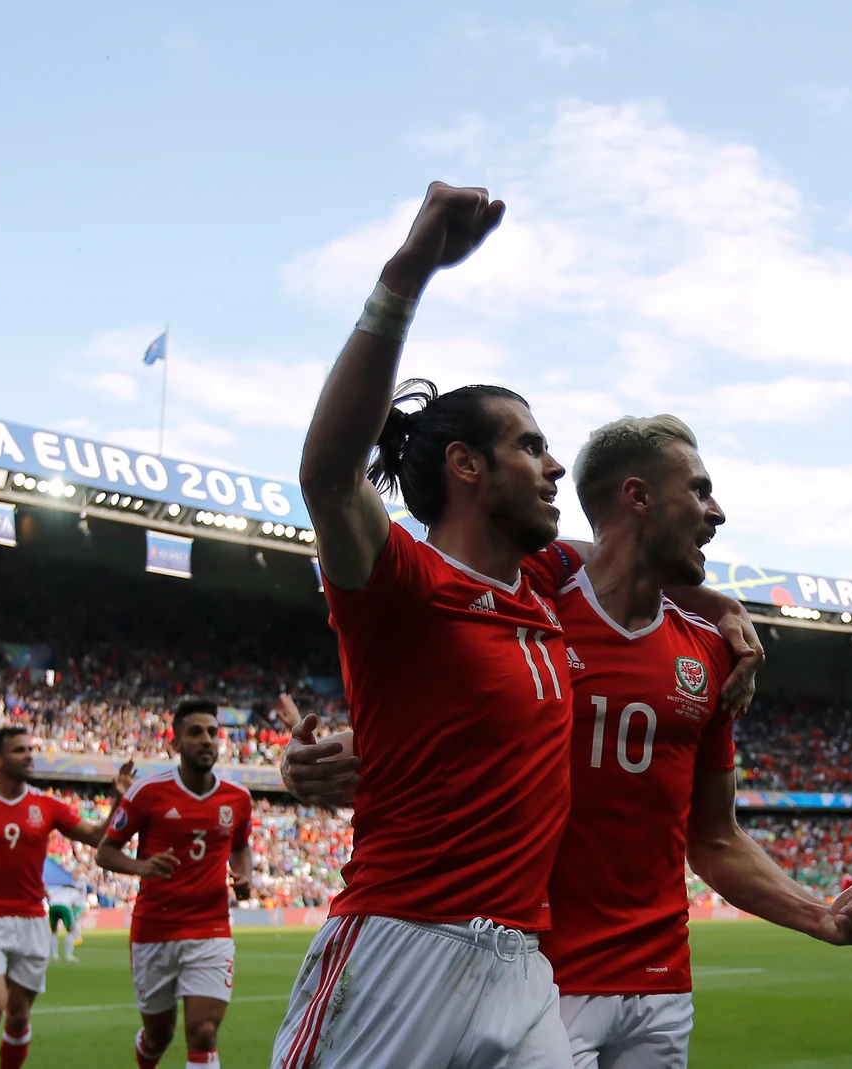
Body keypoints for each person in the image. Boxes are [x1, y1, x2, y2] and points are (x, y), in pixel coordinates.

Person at [270, 181, 763, 1069]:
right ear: (466, 465)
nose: (552, 464)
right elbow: (330, 477)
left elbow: (629, 553)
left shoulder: (548, 592)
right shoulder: (405, 583)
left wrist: (714, 603)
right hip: (398, 951)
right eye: (530, 446)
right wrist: (407, 273)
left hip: (525, 965)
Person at [287, 414, 852, 1069]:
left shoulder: (711, 655)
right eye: (700, 490)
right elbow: (452, 681)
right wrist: (357, 742)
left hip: (660, 982)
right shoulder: (538, 592)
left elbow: (714, 838)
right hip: (541, 970)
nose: (717, 512)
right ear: (638, 496)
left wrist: (816, 913)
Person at [0, 726, 134, 1069]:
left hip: (33, 919)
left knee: (18, 1017)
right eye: (19, 750)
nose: (29, 755)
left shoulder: (46, 805)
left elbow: (95, 836)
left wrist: (118, 801)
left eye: (30, 749)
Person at [98, 699, 255, 1069]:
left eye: (213, 733)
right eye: (195, 732)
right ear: (175, 743)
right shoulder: (146, 794)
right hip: (155, 929)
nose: (207, 740)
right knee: (159, 1036)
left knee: (202, 1032)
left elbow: (242, 846)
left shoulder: (239, 798)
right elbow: (105, 852)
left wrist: (245, 876)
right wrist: (142, 866)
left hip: (211, 929)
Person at [43, 864, 86, 963]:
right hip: (65, 907)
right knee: (70, 931)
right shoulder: (76, 891)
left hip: (53, 906)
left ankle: (54, 955)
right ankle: (68, 955)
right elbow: (76, 905)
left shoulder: (60, 889)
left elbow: (51, 897)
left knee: (53, 931)